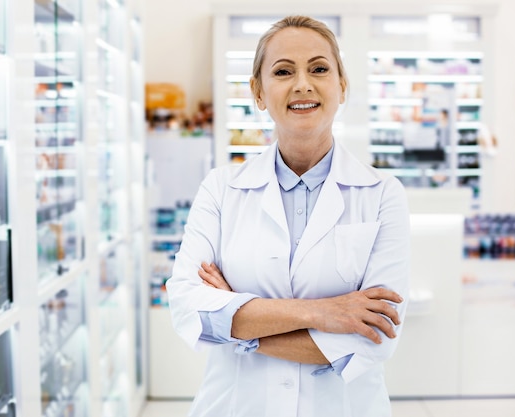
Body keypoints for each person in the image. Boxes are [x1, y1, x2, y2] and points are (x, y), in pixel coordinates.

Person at [166, 15, 410, 417]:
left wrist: (237, 321)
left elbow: (375, 338)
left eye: (319, 68)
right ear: (259, 93)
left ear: (342, 86)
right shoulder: (221, 189)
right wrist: (326, 313)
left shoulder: (383, 194)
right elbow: (190, 310)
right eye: (283, 71)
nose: (302, 84)